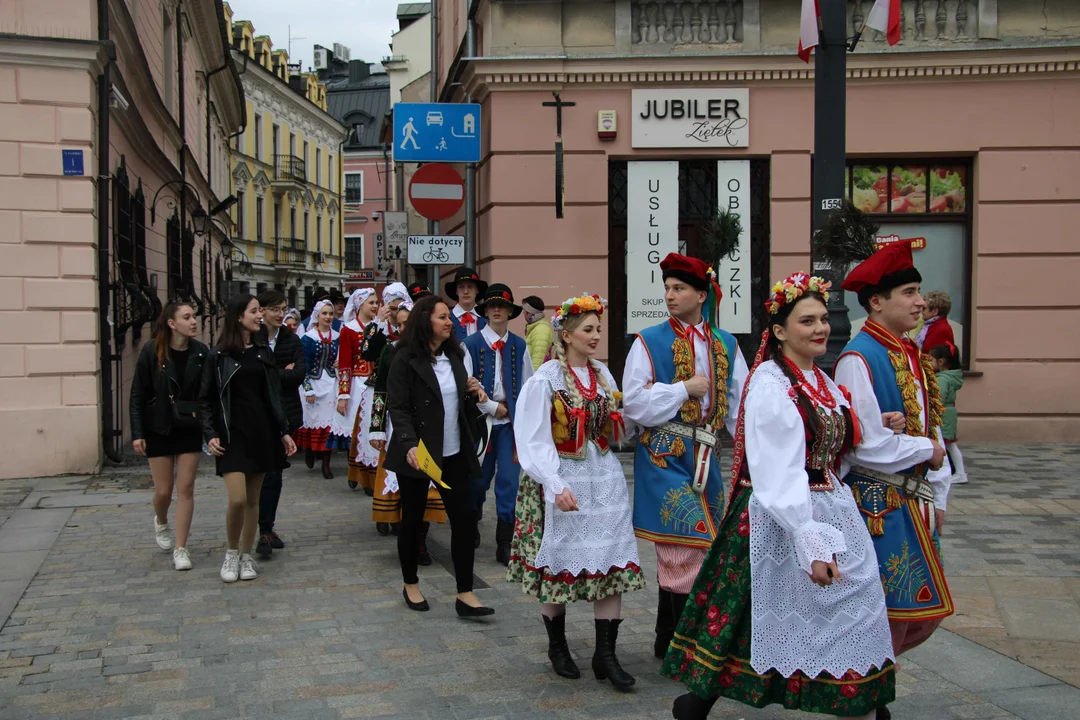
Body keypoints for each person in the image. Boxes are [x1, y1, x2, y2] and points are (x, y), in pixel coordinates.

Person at [663, 273, 900, 720]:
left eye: (823, 319)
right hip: (780, 512)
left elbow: (836, 448)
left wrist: (881, 430)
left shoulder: (822, 382)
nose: (820, 328)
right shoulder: (772, 385)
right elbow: (776, 470)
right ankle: (698, 702)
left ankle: (863, 698)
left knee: (840, 609)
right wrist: (807, 537)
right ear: (778, 331)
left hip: (831, 505)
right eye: (806, 320)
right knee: (755, 612)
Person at [817, 213, 953, 715]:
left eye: (919, 292)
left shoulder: (911, 353)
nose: (920, 301)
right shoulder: (860, 357)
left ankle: (864, 686)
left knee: (919, 612)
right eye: (910, 292)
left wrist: (939, 490)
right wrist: (927, 451)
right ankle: (863, 695)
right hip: (879, 501)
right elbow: (865, 446)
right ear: (877, 302)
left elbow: (930, 425)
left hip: (911, 500)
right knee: (891, 610)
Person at [509, 293, 644, 691]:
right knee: (560, 564)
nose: (596, 336)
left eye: (598, 329)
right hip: (562, 477)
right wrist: (554, 484)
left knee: (611, 563)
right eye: (588, 329)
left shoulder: (603, 374)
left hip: (604, 480)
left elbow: (616, 423)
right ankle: (558, 647)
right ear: (565, 335)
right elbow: (532, 439)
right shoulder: (545, 378)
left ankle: (607, 655)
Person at [621, 252, 748, 661]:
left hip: (706, 458)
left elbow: (740, 405)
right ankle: (682, 644)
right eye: (667, 289)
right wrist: (682, 390)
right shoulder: (649, 341)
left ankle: (666, 637)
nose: (670, 296)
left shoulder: (726, 343)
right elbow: (635, 405)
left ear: (701, 294)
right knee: (685, 543)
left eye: (679, 289)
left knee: (697, 548)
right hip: (664, 455)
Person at [384, 295, 493, 617]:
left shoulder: (455, 355)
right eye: (443, 317)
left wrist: (474, 391)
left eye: (450, 317)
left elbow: (457, 401)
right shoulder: (402, 357)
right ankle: (410, 583)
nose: (450, 322)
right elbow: (398, 406)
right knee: (414, 520)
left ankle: (465, 593)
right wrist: (408, 444)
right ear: (425, 320)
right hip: (420, 453)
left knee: (463, 520)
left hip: (454, 452)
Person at [199, 294, 297, 584]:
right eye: (255, 311)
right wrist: (210, 433)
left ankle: (246, 555)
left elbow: (273, 397)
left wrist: (284, 431)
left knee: (254, 500)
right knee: (238, 499)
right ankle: (231, 552)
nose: (260, 316)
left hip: (262, 433)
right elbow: (205, 399)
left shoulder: (263, 352)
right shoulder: (217, 357)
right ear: (238, 317)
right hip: (232, 436)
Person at [130, 301, 208, 571]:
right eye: (187, 317)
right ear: (172, 323)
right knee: (163, 491)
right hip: (159, 426)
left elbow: (207, 393)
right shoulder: (152, 351)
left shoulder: (201, 352)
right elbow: (138, 394)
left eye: (194, 316)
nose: (194, 321)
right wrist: (138, 433)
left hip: (189, 425)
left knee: (186, 488)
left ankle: (181, 548)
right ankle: (161, 520)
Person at [369, 300, 447, 558]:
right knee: (402, 486)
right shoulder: (392, 351)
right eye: (398, 324)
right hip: (398, 427)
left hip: (429, 430)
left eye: (406, 323)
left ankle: (421, 541)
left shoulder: (438, 352)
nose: (402, 328)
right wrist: (377, 429)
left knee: (428, 489)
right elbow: (381, 390)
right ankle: (403, 533)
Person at [463, 284, 533, 564]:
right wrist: (494, 407)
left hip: (510, 426)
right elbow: (466, 387)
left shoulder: (520, 345)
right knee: (478, 481)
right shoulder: (469, 345)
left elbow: (529, 386)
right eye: (491, 306)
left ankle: (505, 541)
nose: (496, 311)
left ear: (509, 311)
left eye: (501, 306)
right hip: (481, 423)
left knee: (508, 481)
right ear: (485, 311)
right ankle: (473, 518)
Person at [255, 290, 307, 558]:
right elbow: (252, 376)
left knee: (274, 475)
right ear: (261, 310)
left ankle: (267, 527)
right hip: (255, 414)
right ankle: (258, 527)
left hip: (283, 414)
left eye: (283, 308)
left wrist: (270, 374)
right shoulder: (252, 337)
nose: (279, 314)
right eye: (274, 308)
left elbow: (299, 374)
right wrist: (278, 372)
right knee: (259, 475)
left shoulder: (291, 338)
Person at [333, 288, 380, 493]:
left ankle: (369, 474)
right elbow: (344, 364)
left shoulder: (378, 326)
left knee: (372, 430)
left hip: (374, 384)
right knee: (357, 432)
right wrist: (343, 395)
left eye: (376, 302)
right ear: (360, 304)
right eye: (371, 302)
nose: (375, 306)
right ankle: (357, 470)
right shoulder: (349, 329)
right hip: (357, 384)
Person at [296, 300, 345, 479]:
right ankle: (309, 449)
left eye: (331, 314)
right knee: (313, 420)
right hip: (314, 385)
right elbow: (304, 365)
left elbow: (344, 357)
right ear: (317, 315)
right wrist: (307, 388)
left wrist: (341, 363)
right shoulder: (308, 338)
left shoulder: (338, 336)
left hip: (331, 383)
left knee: (331, 423)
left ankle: (326, 463)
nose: (328, 317)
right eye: (324, 314)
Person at [929, 343, 968, 485]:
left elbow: (938, 398)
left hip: (943, 415)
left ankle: (958, 473)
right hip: (947, 413)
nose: (929, 363)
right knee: (949, 445)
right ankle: (959, 472)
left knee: (946, 445)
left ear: (941, 361)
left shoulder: (942, 379)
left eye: (931, 360)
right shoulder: (949, 377)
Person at [446, 267, 487, 341]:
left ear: (477, 290)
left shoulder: (486, 319)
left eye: (470, 287)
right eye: (461, 287)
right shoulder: (447, 319)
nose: (465, 291)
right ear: (456, 291)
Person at [522, 295, 554, 371]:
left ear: (529, 313)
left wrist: (531, 380)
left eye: (524, 310)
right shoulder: (534, 327)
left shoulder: (541, 330)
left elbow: (538, 360)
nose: (523, 313)